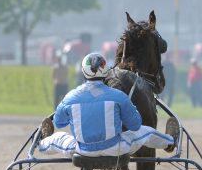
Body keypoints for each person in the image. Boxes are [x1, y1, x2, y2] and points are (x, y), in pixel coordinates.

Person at [38, 52, 180, 160]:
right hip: (115, 148)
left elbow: (58, 122)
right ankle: (170, 142)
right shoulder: (118, 96)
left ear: (83, 71)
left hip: (81, 149)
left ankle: (42, 142)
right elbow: (136, 125)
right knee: (147, 132)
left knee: (58, 138)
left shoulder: (70, 97)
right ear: (105, 70)